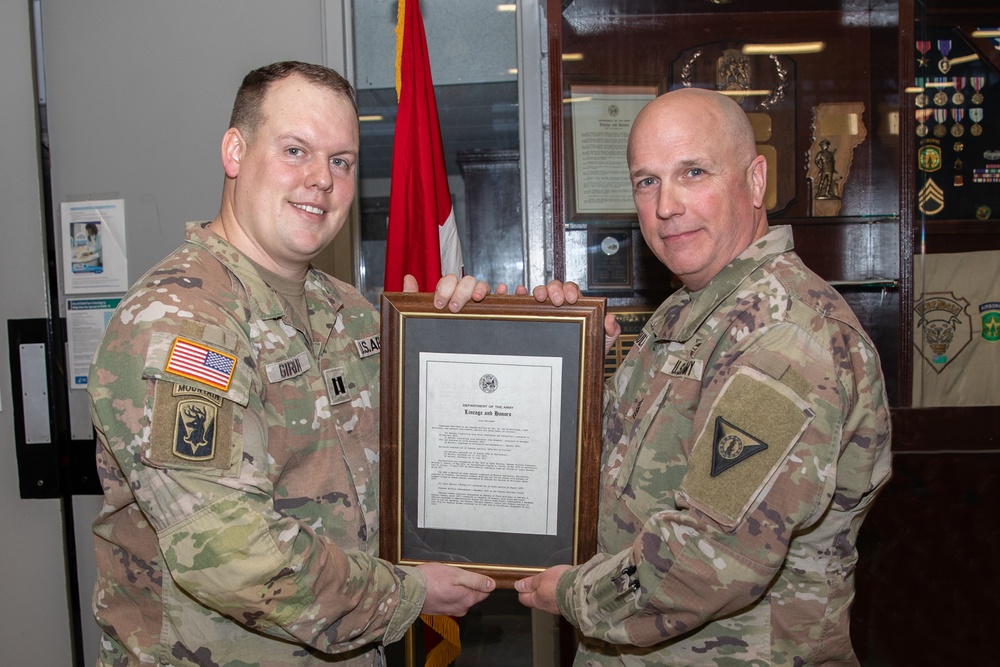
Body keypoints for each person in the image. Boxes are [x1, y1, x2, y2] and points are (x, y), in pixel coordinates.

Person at [89, 61, 501, 667]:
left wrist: (507, 342)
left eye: (341, 161)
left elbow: (431, 459)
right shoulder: (180, 320)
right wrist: (408, 594)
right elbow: (230, 554)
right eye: (295, 150)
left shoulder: (352, 314)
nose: (321, 180)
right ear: (234, 151)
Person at [515, 87, 892, 665]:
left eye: (693, 172)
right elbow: (609, 477)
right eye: (647, 181)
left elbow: (715, 556)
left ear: (756, 180)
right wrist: (560, 360)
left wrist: (572, 594)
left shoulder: (787, 337)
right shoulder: (685, 313)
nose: (667, 205)